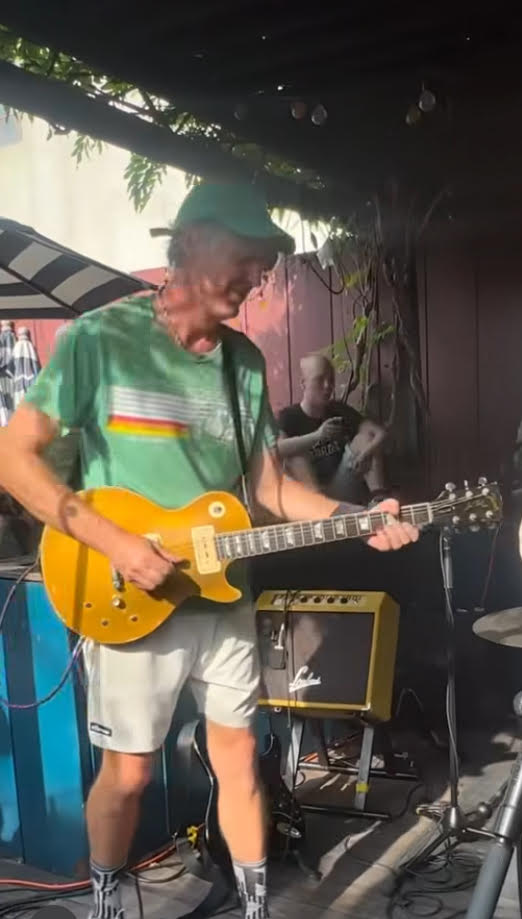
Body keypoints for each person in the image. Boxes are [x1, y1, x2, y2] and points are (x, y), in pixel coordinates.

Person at [0, 183, 418, 919]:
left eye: (265, 262)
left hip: (223, 597)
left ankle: (256, 908)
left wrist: (356, 516)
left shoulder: (243, 363)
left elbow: (271, 490)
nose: (259, 274)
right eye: (246, 255)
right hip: (127, 592)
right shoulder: (100, 340)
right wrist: (117, 542)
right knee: (129, 775)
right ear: (189, 243)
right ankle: (106, 904)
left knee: (240, 761)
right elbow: (13, 458)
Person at [277, 353, 388, 506]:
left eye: (331, 380)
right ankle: (319, 511)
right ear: (303, 384)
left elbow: (378, 433)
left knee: (364, 439)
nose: (327, 385)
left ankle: (379, 501)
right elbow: (277, 449)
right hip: (309, 496)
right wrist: (317, 436)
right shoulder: (289, 416)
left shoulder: (339, 410)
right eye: (319, 379)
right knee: (295, 457)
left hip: (342, 486)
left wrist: (365, 453)